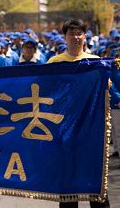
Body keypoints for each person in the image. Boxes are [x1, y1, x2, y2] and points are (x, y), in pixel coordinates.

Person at [46, 19, 108, 208]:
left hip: (92, 128)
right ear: (64, 37)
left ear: (85, 36)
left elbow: (107, 92)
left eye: (79, 33)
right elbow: (48, 94)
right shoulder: (53, 63)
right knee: (68, 179)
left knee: (94, 176)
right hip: (64, 128)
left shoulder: (97, 63)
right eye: (71, 33)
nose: (75, 37)